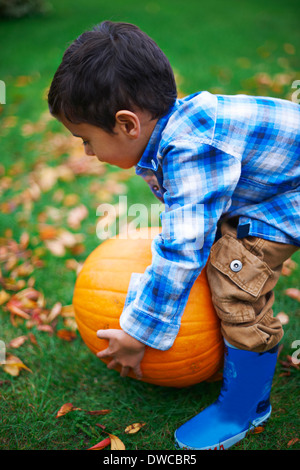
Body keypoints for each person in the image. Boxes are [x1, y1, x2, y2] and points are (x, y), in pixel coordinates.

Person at [47, 20, 300, 450]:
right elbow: (191, 220)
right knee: (218, 249)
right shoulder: (174, 129)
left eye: (86, 140)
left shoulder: (191, 148)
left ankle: (245, 405)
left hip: (288, 199)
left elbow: (183, 248)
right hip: (273, 187)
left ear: (127, 124)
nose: (87, 153)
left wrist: (139, 332)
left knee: (234, 278)